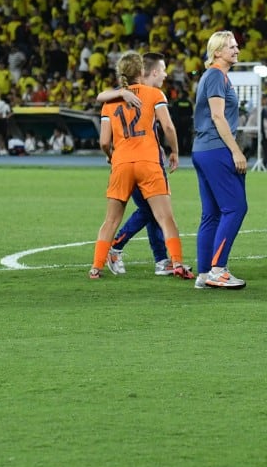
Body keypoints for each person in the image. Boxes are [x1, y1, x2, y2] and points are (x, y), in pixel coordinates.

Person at [89, 51, 192, 281]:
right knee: (165, 217)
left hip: (122, 163)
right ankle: (176, 263)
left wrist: (110, 156)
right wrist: (175, 151)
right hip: (148, 162)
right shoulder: (154, 94)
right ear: (142, 71)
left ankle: (96, 267)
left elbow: (104, 141)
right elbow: (168, 127)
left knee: (111, 220)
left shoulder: (110, 102)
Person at [192, 30, 249, 290]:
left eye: (236, 46)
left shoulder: (214, 76)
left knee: (211, 214)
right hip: (216, 149)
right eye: (231, 46)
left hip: (203, 149)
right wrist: (235, 150)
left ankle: (205, 272)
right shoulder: (216, 75)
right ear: (217, 52)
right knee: (236, 207)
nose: (236, 50)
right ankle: (218, 269)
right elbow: (218, 116)